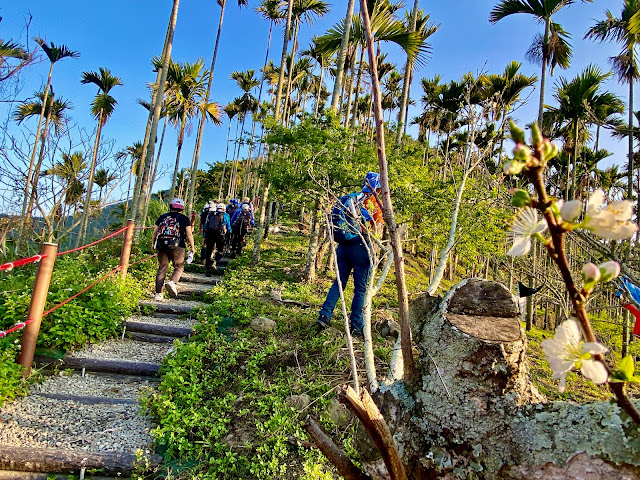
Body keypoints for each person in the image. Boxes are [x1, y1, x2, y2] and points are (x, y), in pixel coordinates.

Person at [316, 172, 383, 337]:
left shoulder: (351, 198)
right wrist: (374, 252)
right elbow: (377, 228)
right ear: (378, 188)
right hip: (361, 246)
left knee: (338, 283)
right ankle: (355, 325)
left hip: (343, 246)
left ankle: (324, 315)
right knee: (360, 289)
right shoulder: (374, 203)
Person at [152, 198, 196, 301]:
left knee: (162, 268)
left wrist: (153, 244)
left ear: (170, 206)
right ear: (182, 208)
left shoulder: (162, 217)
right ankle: (172, 282)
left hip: (162, 245)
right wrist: (192, 247)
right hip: (178, 245)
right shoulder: (184, 219)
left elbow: (155, 232)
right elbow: (189, 233)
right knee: (179, 266)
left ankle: (158, 294)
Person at [203, 203, 231, 276]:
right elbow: (229, 227)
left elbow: (206, 226)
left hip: (209, 235)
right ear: (224, 209)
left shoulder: (210, 214)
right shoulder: (226, 215)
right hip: (220, 236)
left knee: (209, 251)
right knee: (220, 251)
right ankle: (214, 261)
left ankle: (208, 270)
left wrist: (204, 236)